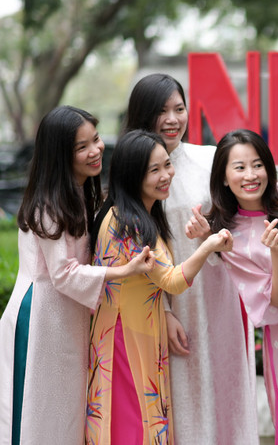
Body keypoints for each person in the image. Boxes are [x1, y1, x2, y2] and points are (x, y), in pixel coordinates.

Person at [0, 106, 153, 445]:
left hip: (66, 315)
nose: (95, 150)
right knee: (38, 417)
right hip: (41, 319)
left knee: (65, 415)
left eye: (95, 140)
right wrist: (125, 270)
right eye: (81, 147)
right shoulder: (49, 203)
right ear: (60, 156)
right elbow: (63, 274)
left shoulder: (81, 190)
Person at [123, 73, 257, 443]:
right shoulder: (134, 174)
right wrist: (163, 310)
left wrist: (217, 235)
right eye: (161, 111)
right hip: (174, 300)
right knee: (184, 388)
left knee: (227, 381)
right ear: (141, 115)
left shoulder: (211, 158)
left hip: (222, 292)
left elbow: (242, 215)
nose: (172, 119)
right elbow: (136, 250)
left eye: (179, 109)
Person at [183, 129, 278, 445]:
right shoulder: (230, 238)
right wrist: (277, 253)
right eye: (239, 167)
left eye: (257, 164)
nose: (251, 175)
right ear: (223, 178)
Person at [85, 130, 234, 444]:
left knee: (140, 419)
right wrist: (207, 246)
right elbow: (172, 281)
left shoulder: (138, 214)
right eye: (155, 170)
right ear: (132, 175)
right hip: (124, 338)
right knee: (132, 423)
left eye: (167, 164)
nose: (167, 175)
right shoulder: (129, 223)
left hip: (137, 330)